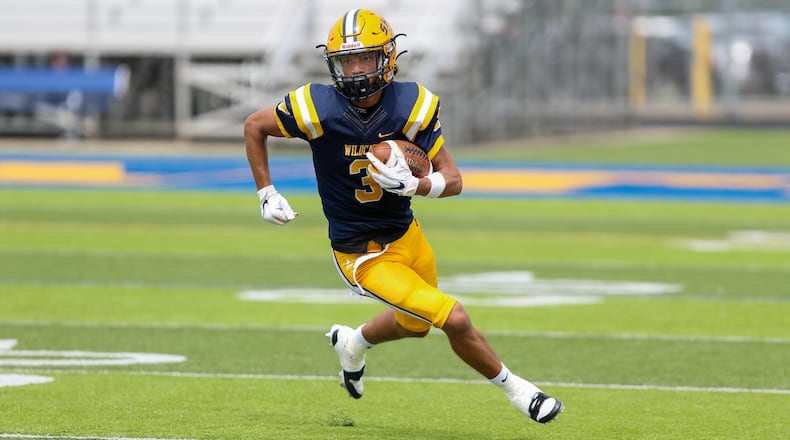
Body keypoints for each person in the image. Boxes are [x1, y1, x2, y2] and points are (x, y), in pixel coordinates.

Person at [244, 8, 563, 424]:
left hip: (407, 235)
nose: (356, 71)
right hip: (362, 255)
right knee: (454, 317)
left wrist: (418, 185)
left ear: (388, 57)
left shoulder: (410, 106)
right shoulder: (317, 107)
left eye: (364, 59)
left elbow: (454, 179)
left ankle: (353, 343)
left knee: (415, 325)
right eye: (346, 61)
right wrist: (266, 193)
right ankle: (520, 391)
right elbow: (254, 126)